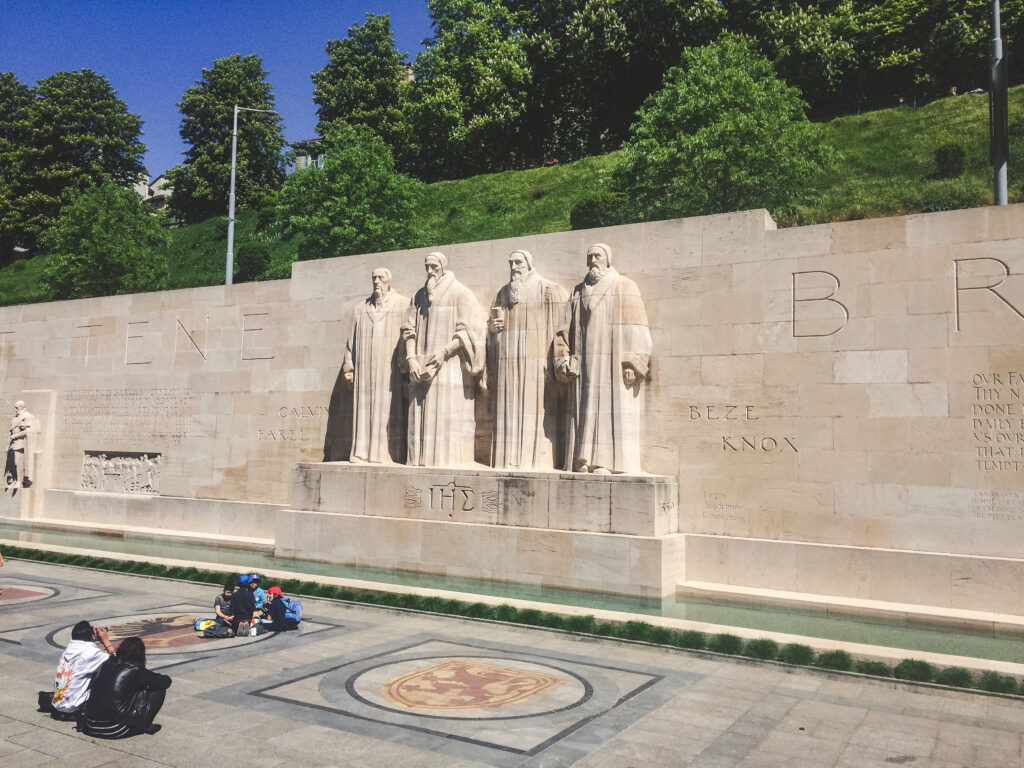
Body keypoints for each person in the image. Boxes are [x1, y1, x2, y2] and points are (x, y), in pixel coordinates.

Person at [555, 243, 652, 474]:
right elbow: (563, 330)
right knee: (584, 409)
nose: (592, 261)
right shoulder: (578, 292)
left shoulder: (624, 286)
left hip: (611, 362)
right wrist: (563, 358)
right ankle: (583, 460)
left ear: (608, 259)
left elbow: (636, 326)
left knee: (610, 408)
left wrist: (632, 363)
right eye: (589, 257)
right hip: (584, 364)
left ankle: (606, 463)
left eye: (597, 256)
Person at [401, 252, 486, 467]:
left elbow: (472, 329)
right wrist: (411, 357)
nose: (430, 271)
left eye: (434, 267)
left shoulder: (460, 292)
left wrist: (444, 353)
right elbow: (408, 330)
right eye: (427, 266)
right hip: (419, 366)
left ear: (443, 268)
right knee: (418, 421)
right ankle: (418, 462)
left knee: (444, 420)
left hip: (449, 366)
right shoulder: (418, 296)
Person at [488, 249, 569, 470]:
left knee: (535, 410)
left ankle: (533, 461)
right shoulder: (502, 293)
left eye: (518, 262)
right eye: (510, 262)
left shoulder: (547, 289)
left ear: (528, 264)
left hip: (535, 361)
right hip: (507, 362)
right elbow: (490, 332)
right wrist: (493, 329)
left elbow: (561, 326)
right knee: (507, 409)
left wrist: (556, 360)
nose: (514, 267)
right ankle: (506, 461)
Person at [342, 267, 410, 463]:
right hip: (364, 369)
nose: (377, 282)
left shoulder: (403, 304)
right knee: (363, 409)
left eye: (381, 278)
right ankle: (361, 452)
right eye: (374, 278)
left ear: (389, 281)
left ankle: (387, 454)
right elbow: (350, 343)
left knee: (388, 409)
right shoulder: (360, 308)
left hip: (390, 371)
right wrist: (349, 367)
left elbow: (409, 335)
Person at [82, 637, 170, 738]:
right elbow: (165, 681)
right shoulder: (135, 670)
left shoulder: (108, 663)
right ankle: (146, 724)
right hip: (113, 729)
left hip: (90, 725)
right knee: (158, 690)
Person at [50, 620, 116, 719]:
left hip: (58, 703)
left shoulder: (69, 650)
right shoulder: (91, 653)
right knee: (110, 674)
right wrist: (105, 640)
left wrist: (93, 635)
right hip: (74, 707)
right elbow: (118, 662)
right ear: (93, 636)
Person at [6, 400, 39, 488]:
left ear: (22, 407)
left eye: (16, 408)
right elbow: (11, 431)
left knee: (18, 462)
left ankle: (20, 481)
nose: (15, 409)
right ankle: (15, 480)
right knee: (13, 463)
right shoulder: (16, 417)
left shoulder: (28, 416)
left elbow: (30, 431)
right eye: (14, 407)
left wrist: (16, 435)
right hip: (13, 442)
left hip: (20, 442)